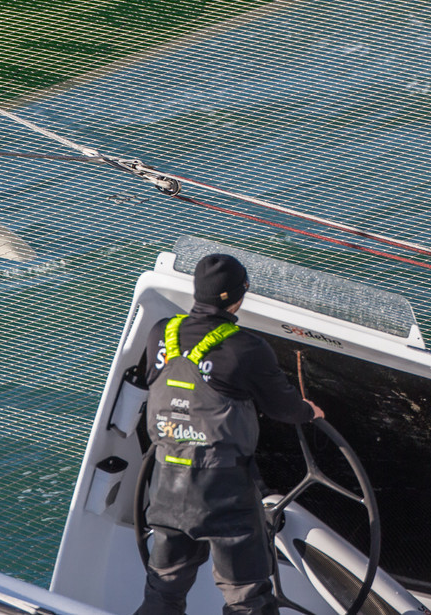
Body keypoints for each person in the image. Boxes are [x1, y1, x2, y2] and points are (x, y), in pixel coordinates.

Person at [135, 253, 322, 615]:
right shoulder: (246, 348)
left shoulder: (161, 332)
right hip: (223, 494)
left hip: (165, 485)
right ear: (241, 294)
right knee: (247, 598)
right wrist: (308, 411)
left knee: (163, 590)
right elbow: (283, 409)